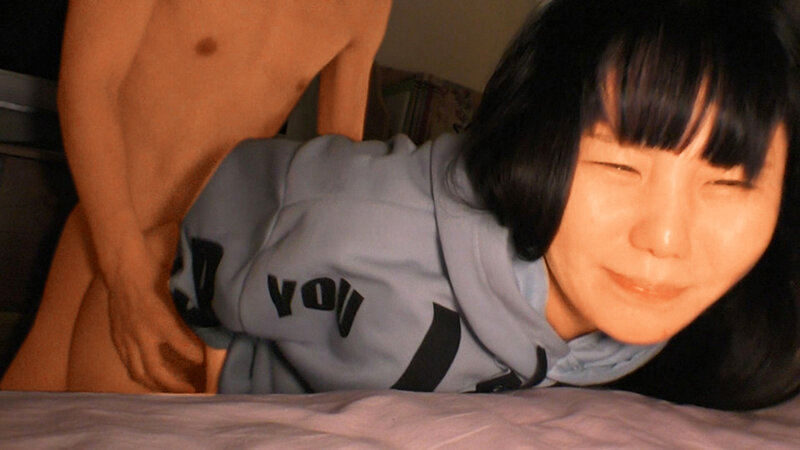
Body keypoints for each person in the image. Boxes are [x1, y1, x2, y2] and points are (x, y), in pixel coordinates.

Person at [169, 0, 800, 410]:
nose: (665, 239)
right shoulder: (363, 223)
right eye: (618, 166)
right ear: (533, 137)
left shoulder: (720, 323)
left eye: (728, 184)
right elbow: (180, 221)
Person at [0, 0, 392, 393]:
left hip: (201, 262)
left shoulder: (368, 6)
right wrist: (127, 275)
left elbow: (337, 170)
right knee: (28, 405)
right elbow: (88, 86)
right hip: (109, 236)